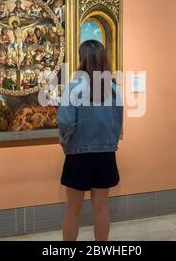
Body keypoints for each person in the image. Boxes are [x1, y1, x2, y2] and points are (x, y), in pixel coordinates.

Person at [57, 40, 123, 241]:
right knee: (102, 209)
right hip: (105, 155)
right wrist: (110, 143)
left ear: (82, 59)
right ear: (103, 59)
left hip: (78, 155)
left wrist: (66, 142)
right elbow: (118, 122)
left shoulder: (74, 87)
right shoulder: (113, 88)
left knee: (72, 210)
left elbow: (66, 121)